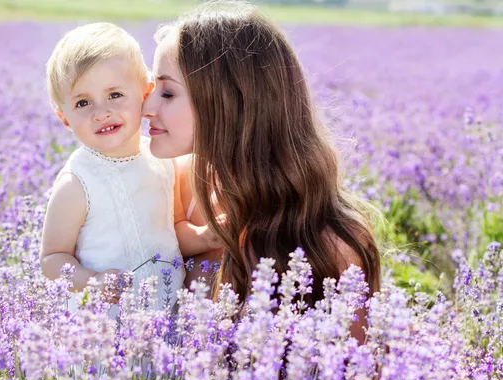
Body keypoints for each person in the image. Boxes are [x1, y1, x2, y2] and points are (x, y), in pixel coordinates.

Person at [143, 2, 381, 343]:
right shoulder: (170, 183)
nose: (147, 107)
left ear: (230, 101)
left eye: (167, 92)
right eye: (152, 89)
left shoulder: (332, 243)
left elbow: (356, 377)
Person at [39, 22, 220, 312]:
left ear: (145, 95)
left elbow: (172, 230)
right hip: (106, 325)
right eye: (83, 102)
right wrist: (92, 281)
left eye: (115, 95)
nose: (102, 112)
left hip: (165, 313)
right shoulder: (77, 182)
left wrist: (203, 237)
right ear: (65, 120)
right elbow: (52, 258)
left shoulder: (163, 162)